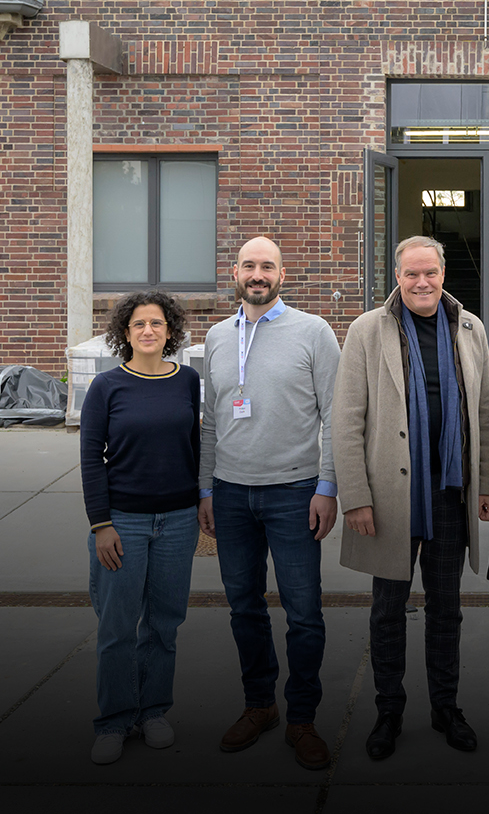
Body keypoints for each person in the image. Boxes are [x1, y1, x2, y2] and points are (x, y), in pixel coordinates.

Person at [333, 236, 489, 761]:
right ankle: (389, 711)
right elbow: (346, 419)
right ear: (398, 276)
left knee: (446, 607)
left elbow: (484, 411)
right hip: (389, 495)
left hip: (451, 492)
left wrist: (488, 481)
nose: (422, 282)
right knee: (387, 609)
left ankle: (445, 708)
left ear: (444, 272)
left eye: (430, 273)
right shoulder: (367, 330)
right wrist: (355, 496)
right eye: (412, 274)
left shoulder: (469, 327)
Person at [197, 236, 342, 771]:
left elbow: (337, 415)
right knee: (244, 609)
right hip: (231, 494)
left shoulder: (313, 332)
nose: (258, 274)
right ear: (235, 272)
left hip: (295, 492)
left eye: (268, 266)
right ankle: (260, 706)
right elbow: (211, 420)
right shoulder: (215, 336)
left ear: (283, 273)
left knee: (304, 614)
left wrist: (327, 487)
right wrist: (206, 489)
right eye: (249, 266)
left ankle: (302, 718)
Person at [79, 290, 202, 765]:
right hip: (122, 523)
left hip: (177, 522)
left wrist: (197, 508)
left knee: (164, 625)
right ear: (124, 334)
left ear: (169, 331)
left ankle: (153, 712)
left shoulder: (187, 381)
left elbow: (194, 446)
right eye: (138, 325)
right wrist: (101, 524)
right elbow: (91, 459)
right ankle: (113, 720)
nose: (148, 331)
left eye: (156, 323)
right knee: (116, 628)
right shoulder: (107, 387)